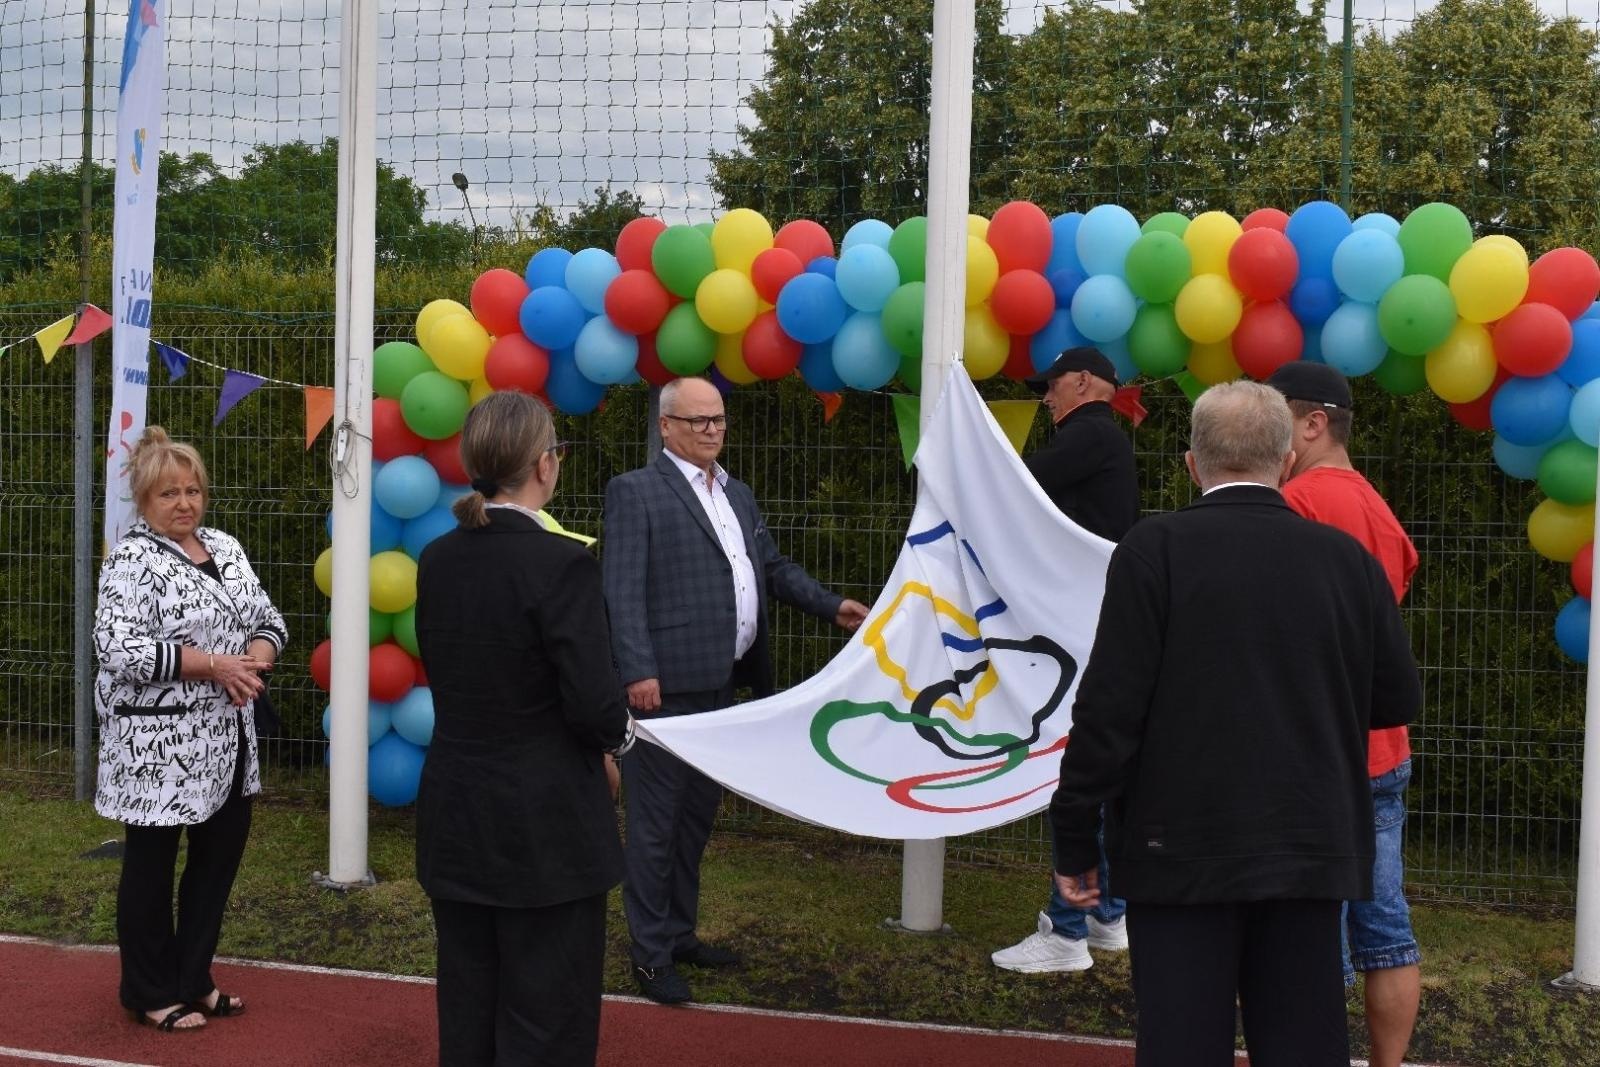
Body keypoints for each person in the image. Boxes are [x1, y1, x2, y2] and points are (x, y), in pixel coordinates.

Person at [1049, 380, 1421, 1066]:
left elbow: (1107, 713)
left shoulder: (1151, 551)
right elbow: (1396, 700)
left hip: (1179, 850)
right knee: (1303, 1043)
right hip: (1309, 846)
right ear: (1285, 463)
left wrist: (1074, 837)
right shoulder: (1347, 564)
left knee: (1182, 1043)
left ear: (1192, 464)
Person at [602, 376, 869, 1005]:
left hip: (722, 688)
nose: (712, 430)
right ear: (665, 426)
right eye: (698, 421)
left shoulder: (737, 495)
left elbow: (769, 568)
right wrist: (637, 670)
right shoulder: (636, 492)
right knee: (653, 828)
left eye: (718, 419)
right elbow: (620, 589)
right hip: (662, 694)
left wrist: (833, 608)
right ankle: (649, 956)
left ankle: (679, 934)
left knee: (694, 821)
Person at [415, 390, 634, 1066]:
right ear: (545, 463)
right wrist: (618, 740)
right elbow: (595, 703)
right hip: (546, 827)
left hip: (458, 812)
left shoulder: (438, 559)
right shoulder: (561, 563)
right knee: (549, 1018)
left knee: (469, 1009)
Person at [93, 426, 286, 1032]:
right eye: (169, 494)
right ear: (144, 502)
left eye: (193, 490)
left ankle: (193, 978)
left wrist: (253, 658)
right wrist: (210, 664)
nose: (184, 503)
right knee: (151, 866)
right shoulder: (131, 558)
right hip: (157, 748)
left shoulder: (226, 548)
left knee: (216, 861)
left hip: (229, 740)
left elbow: (267, 618)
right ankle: (149, 991)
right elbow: (116, 645)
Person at [1266, 361, 1421, 1067]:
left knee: (1310, 933)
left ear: (1313, 423)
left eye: (1275, 419)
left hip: (1312, 751)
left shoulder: (1294, 502)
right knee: (1387, 928)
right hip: (1382, 746)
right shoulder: (1380, 510)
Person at [993, 345, 1139, 975]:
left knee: (1076, 785)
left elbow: (1012, 490)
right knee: (1096, 779)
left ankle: (1070, 927)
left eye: (1051, 385)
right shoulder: (1103, 441)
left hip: (1081, 638)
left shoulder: (1090, 435)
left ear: (1083, 382)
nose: (1044, 397)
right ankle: (1106, 915)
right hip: (1095, 632)